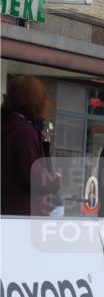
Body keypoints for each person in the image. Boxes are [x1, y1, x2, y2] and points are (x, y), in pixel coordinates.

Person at [1, 75, 62, 216]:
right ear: (34, 101)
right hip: (22, 213)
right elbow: (34, 176)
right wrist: (55, 180)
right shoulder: (25, 132)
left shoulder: (7, 124)